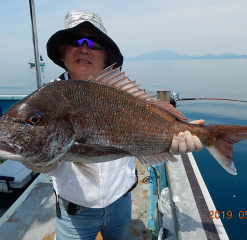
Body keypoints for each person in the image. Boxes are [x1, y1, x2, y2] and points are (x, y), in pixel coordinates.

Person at [26, 11, 204, 240]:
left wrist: (176, 138)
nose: (84, 48)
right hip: (75, 213)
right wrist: (40, 161)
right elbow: (54, 160)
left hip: (121, 204)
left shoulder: (121, 94)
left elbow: (146, 130)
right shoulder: (44, 101)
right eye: (75, 41)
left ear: (106, 55)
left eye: (94, 43)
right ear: (62, 51)